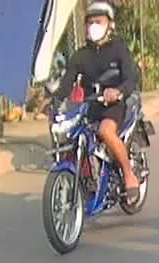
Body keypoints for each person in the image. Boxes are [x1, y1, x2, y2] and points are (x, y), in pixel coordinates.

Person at [53, 1, 141, 200]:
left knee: (105, 131)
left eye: (98, 22)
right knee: (70, 134)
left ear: (110, 25)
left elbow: (131, 78)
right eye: (90, 22)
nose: (93, 26)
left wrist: (118, 92)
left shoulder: (119, 49)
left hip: (115, 105)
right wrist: (54, 100)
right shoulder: (80, 56)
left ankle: (129, 175)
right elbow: (67, 83)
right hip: (89, 106)